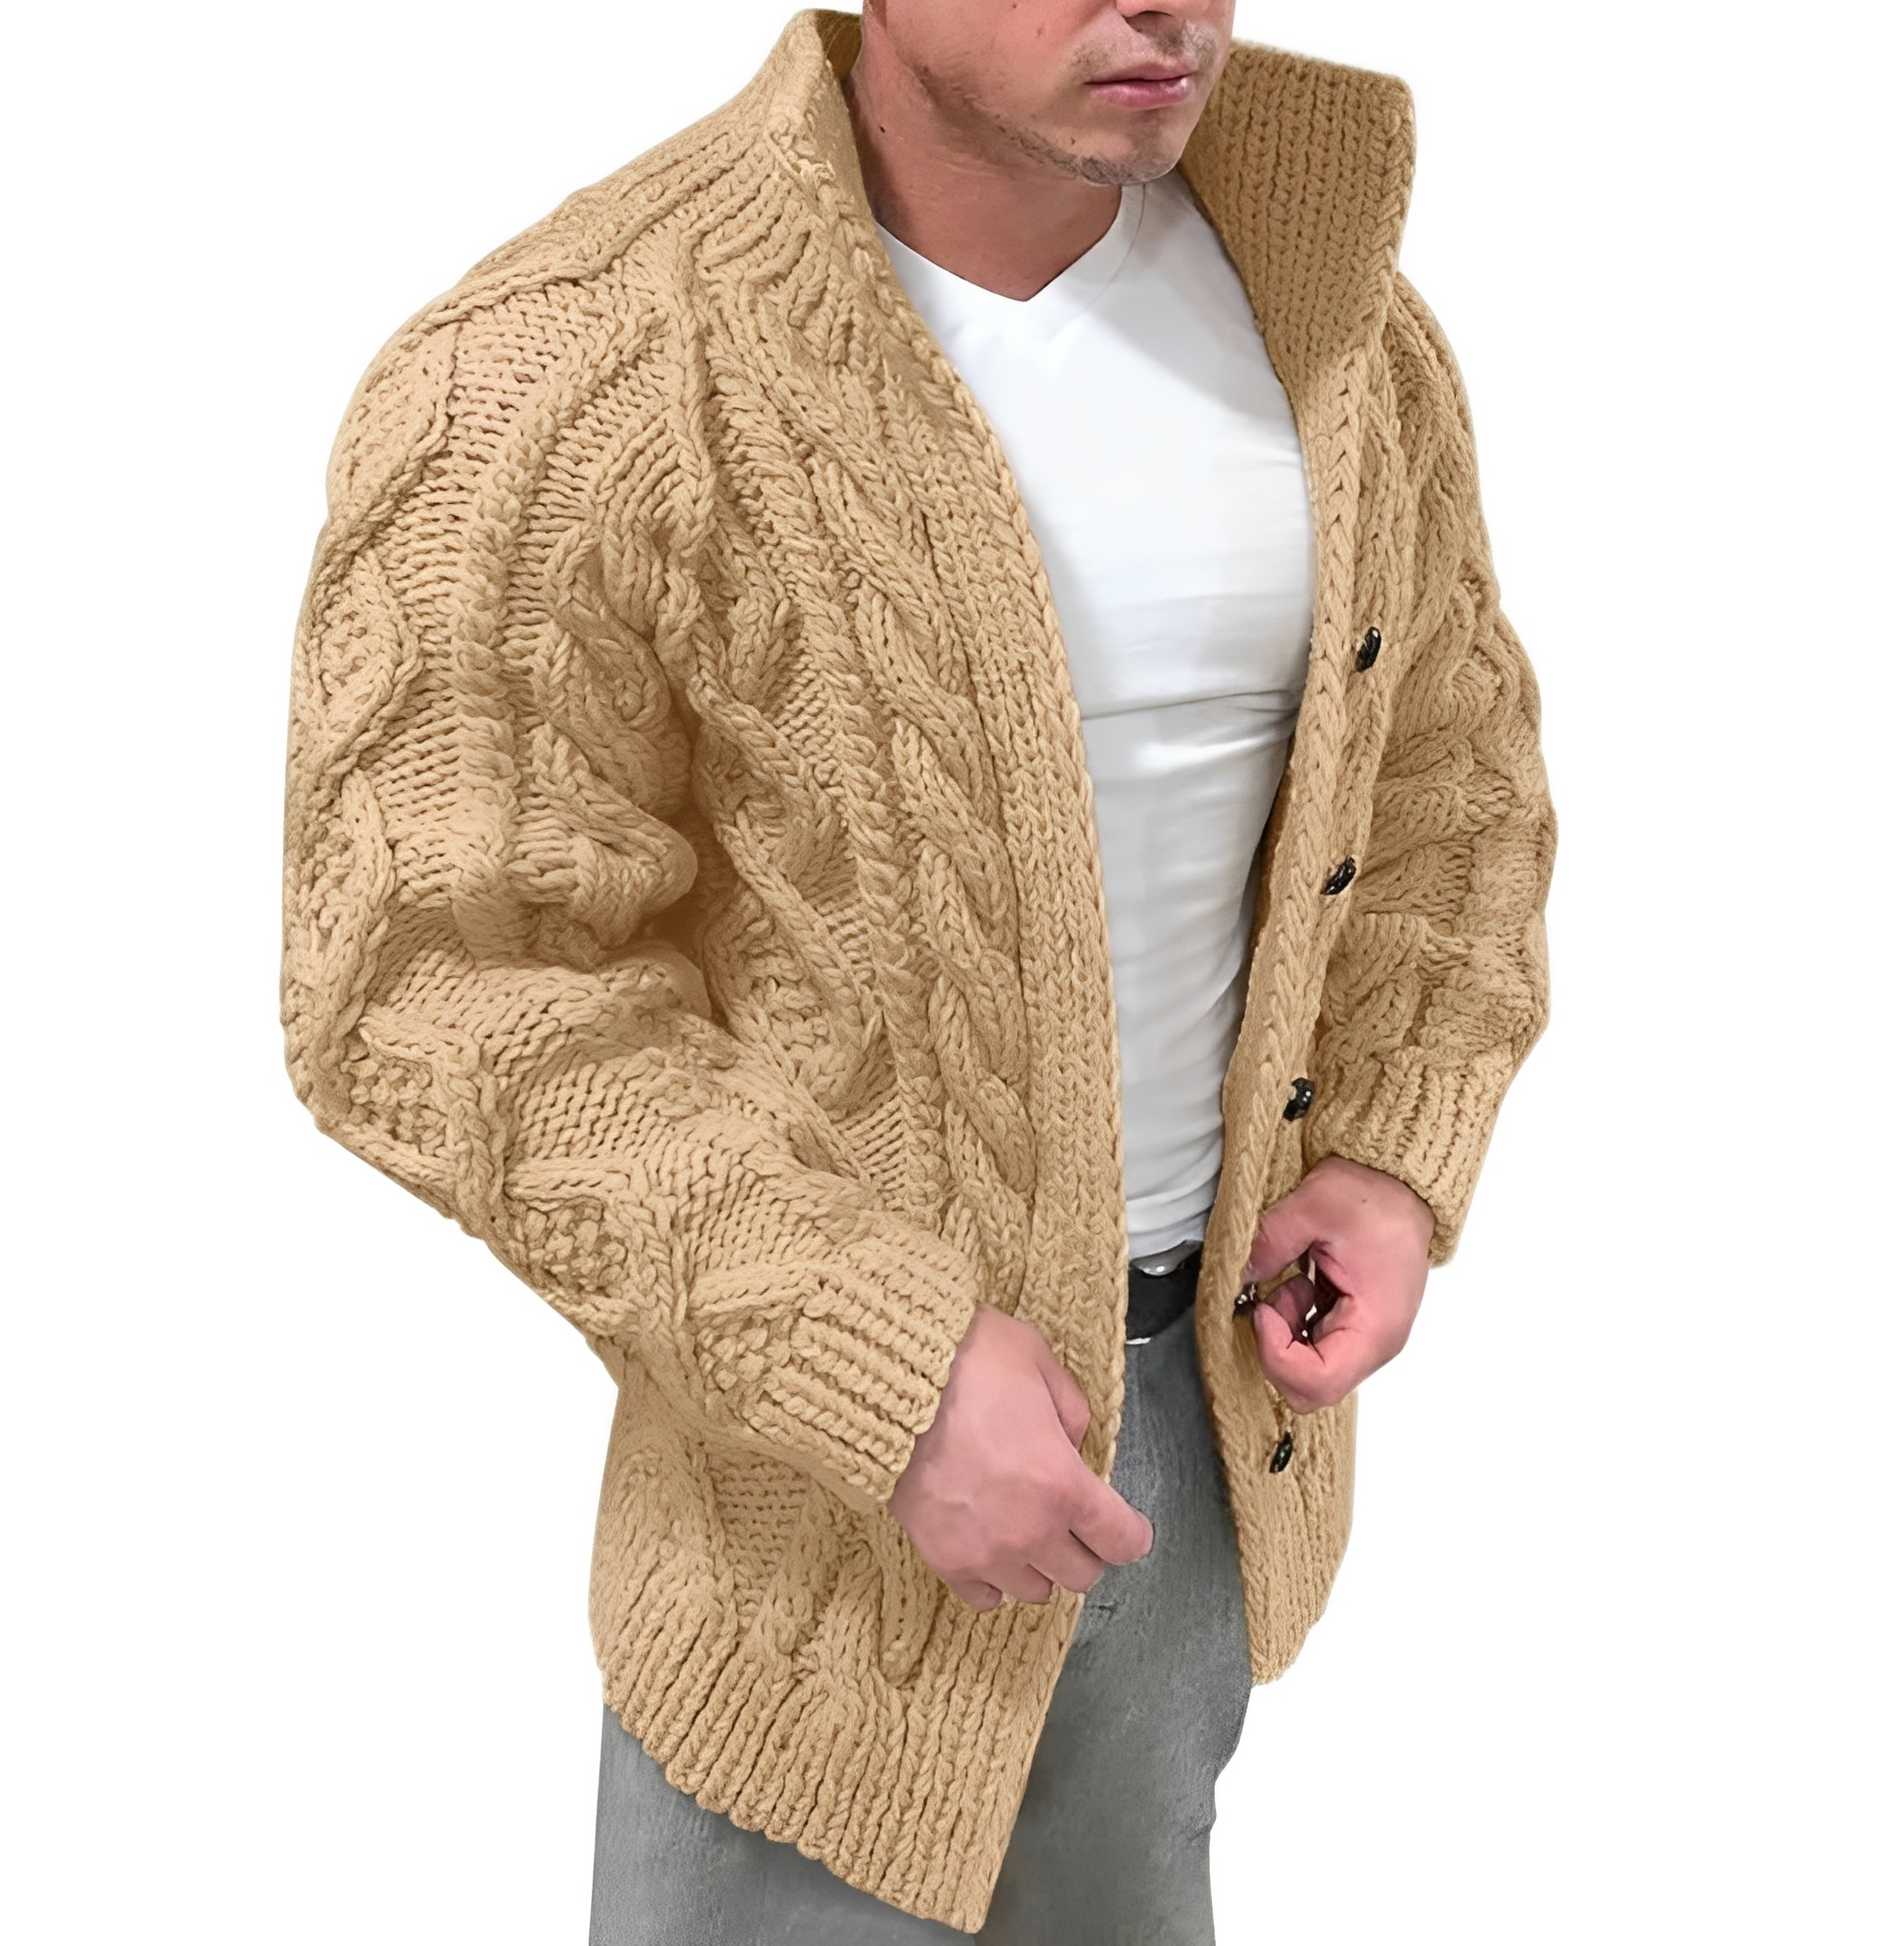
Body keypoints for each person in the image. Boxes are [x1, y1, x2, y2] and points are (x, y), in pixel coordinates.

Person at [281, 4, 1553, 1939]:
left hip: (1211, 1442)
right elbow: (430, 979)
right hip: (807, 1530)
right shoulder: (564, 366)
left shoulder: (1337, 328)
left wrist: (1381, 1149)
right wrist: (883, 1364)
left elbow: (1448, 787)